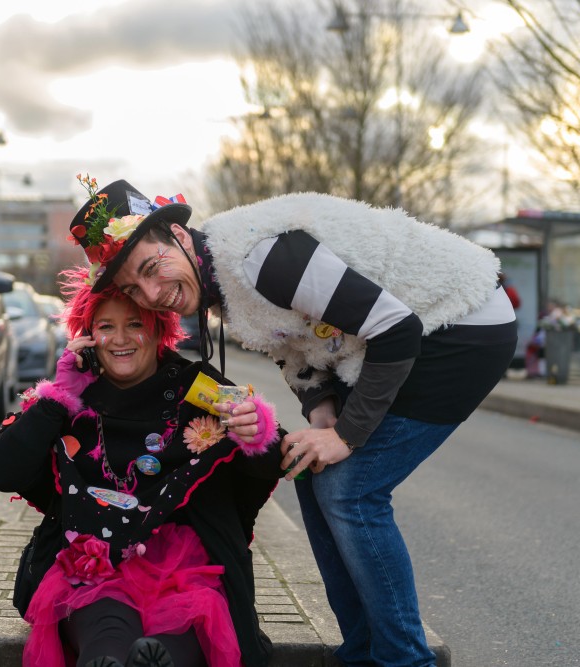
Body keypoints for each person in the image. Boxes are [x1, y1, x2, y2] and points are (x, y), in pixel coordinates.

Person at [68, 176, 517, 667]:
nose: (153, 293)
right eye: (134, 287)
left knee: (351, 489)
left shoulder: (260, 258)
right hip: (384, 342)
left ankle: (405, 661)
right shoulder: (220, 280)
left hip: (459, 325)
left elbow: (397, 329)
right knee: (312, 471)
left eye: (153, 268)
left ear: (178, 235)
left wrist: (344, 435)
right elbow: (291, 341)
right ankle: (362, 653)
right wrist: (320, 409)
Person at [0, 264, 285, 667]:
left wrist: (256, 427)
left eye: (135, 324)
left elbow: (272, 456)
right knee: (103, 613)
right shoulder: (74, 393)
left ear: (161, 330)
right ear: (88, 337)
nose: (120, 339)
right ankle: (105, 658)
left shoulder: (198, 386)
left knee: (183, 616)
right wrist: (58, 398)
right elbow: (3, 472)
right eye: (106, 327)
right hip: (92, 563)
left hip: (185, 565)